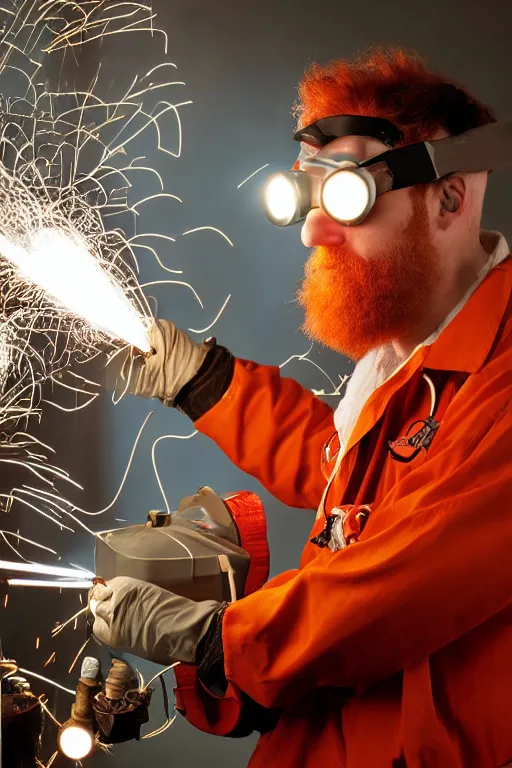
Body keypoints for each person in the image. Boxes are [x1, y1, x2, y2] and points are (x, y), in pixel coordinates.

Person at [90, 48, 512, 767]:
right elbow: (349, 476)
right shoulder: (403, 364)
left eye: (350, 194)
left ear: (450, 196)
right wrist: (206, 382)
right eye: (309, 197)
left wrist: (218, 640)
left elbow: (392, 592)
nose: (316, 232)